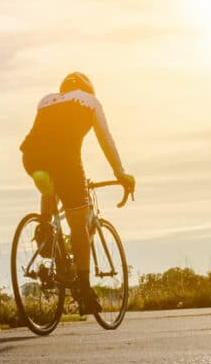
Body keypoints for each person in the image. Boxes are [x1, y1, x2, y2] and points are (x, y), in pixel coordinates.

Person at [19, 72, 135, 315]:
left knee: (52, 185)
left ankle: (45, 230)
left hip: (31, 158)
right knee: (78, 224)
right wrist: (120, 173)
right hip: (66, 163)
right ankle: (83, 289)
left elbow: (46, 139)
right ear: (88, 89)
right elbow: (106, 140)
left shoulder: (46, 100)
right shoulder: (90, 101)